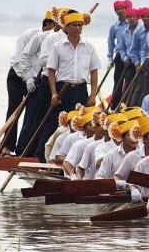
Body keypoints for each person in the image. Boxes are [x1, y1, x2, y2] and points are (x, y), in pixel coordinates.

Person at [35, 9, 101, 162]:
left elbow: (94, 71)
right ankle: (42, 159)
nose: (77, 28)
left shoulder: (89, 47)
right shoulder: (57, 46)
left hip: (81, 90)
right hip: (62, 89)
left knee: (81, 124)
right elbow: (51, 71)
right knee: (53, 124)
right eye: (73, 25)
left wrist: (93, 94)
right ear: (66, 26)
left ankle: (73, 159)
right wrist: (53, 93)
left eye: (79, 25)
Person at [5, 11, 55, 154]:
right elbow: (19, 60)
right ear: (48, 23)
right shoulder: (30, 35)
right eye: (55, 25)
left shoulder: (54, 39)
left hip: (36, 80)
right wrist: (27, 78)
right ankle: (7, 145)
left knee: (32, 113)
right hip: (18, 76)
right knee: (14, 110)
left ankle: (24, 148)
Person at [112, 7, 140, 108]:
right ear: (127, 19)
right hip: (129, 62)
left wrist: (138, 62)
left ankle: (136, 108)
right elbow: (121, 48)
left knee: (138, 87)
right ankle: (123, 108)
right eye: (129, 17)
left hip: (140, 63)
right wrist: (124, 58)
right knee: (127, 85)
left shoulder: (141, 31)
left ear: (137, 18)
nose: (132, 19)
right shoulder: (125, 32)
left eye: (134, 17)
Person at [108, 0, 131, 112]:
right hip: (119, 56)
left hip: (131, 56)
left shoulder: (131, 22)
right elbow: (110, 42)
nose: (120, 11)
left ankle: (127, 106)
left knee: (130, 81)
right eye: (117, 9)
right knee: (117, 82)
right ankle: (114, 107)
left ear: (126, 9)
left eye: (122, 8)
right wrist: (110, 58)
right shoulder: (114, 26)